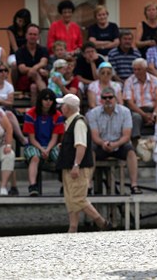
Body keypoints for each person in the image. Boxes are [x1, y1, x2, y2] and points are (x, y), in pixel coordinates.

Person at [55, 93, 111, 232]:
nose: (61, 108)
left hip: (77, 167)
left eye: (63, 105)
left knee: (78, 198)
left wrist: (76, 165)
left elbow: (81, 145)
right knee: (71, 198)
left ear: (67, 108)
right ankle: (73, 227)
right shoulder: (71, 122)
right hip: (69, 165)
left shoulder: (78, 122)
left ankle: (101, 222)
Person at [86, 87, 142, 195]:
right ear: (101, 99)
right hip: (101, 145)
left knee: (130, 150)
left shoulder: (125, 112)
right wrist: (103, 143)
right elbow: (94, 136)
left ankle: (134, 185)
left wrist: (115, 144)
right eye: (104, 98)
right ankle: (88, 185)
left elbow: (127, 135)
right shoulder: (93, 113)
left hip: (119, 144)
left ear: (115, 98)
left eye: (110, 97)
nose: (107, 100)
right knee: (91, 150)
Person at [22, 89, 64, 196]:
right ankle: (33, 186)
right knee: (35, 157)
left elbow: (55, 138)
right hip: (34, 144)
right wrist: (42, 149)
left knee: (60, 156)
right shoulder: (31, 114)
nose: (48, 101)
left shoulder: (58, 115)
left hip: (51, 144)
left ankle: (66, 184)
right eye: (45, 99)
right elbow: (31, 138)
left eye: (50, 99)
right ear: (40, 100)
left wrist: (48, 149)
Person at [0, 61, 28, 147]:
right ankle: (21, 138)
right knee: (8, 114)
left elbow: (10, 103)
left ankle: (17, 140)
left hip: (5, 110)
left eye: (5, 70)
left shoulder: (9, 86)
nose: (3, 73)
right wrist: (3, 101)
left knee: (8, 114)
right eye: (0, 70)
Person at [123, 58, 157, 140]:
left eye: (139, 69)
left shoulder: (155, 81)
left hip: (153, 109)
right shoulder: (129, 81)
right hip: (137, 110)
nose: (136, 72)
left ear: (145, 69)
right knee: (136, 117)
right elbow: (130, 103)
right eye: (134, 69)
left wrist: (154, 114)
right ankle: (136, 141)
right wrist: (144, 115)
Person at [15, 24, 49, 104]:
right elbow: (22, 69)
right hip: (25, 80)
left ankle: (34, 112)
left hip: (40, 79)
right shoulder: (20, 51)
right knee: (34, 73)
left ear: (38, 37)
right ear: (26, 35)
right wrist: (38, 70)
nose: (32, 36)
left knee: (33, 87)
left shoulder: (43, 49)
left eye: (35, 34)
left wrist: (36, 69)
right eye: (30, 34)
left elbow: (43, 62)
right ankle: (47, 96)